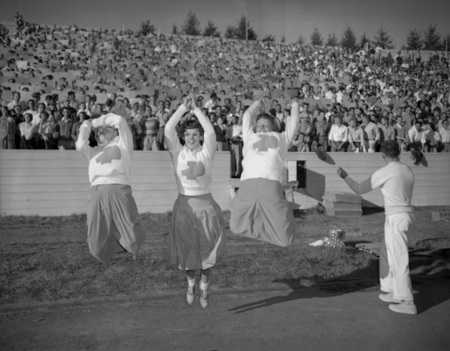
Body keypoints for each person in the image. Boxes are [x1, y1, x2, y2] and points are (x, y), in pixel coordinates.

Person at [337, 140, 417, 315]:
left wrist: (345, 176)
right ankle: (391, 290)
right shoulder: (407, 169)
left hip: (396, 217)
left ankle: (407, 301)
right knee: (386, 252)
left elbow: (359, 189)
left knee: (398, 258)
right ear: (399, 153)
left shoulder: (385, 171)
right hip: (402, 214)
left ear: (382, 154)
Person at [164, 94, 225, 309]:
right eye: (188, 134)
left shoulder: (207, 152)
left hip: (205, 206)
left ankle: (205, 287)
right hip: (183, 207)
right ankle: (191, 284)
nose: (191, 137)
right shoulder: (177, 152)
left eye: (195, 134)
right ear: (183, 136)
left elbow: (211, 131)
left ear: (200, 136)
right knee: (187, 250)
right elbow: (167, 130)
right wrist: (182, 108)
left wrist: (197, 110)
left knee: (207, 250)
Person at [75, 110, 146, 264]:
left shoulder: (123, 143)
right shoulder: (93, 152)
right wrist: (86, 126)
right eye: (97, 132)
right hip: (96, 192)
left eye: (104, 129)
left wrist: (96, 122)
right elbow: (80, 144)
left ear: (114, 131)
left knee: (132, 233)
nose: (99, 132)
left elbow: (120, 120)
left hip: (119, 189)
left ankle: (127, 249)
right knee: (95, 234)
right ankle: (108, 253)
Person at [229, 100, 299, 247]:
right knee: (235, 227)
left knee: (285, 239)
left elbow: (293, 123)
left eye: (266, 124)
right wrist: (256, 105)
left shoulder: (282, 138)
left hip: (270, 185)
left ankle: (272, 224)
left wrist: (294, 106)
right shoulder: (249, 137)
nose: (261, 126)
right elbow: (247, 117)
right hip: (248, 184)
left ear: (273, 127)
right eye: (259, 124)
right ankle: (259, 231)